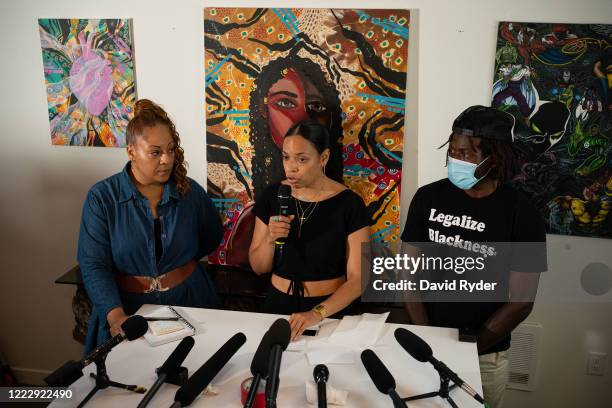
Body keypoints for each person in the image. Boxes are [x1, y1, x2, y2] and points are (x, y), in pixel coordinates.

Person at [400, 106, 547, 408]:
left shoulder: (522, 212)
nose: (456, 160)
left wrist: (466, 351)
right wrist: (430, 340)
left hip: (484, 358)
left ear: (495, 157)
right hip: (426, 347)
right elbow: (407, 274)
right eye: (453, 152)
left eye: (466, 154)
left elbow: (521, 302)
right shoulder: (428, 198)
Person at [78, 99, 222, 353]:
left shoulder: (190, 192)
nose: (166, 160)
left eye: (171, 149)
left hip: (191, 302)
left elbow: (211, 237)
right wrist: (116, 317)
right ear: (131, 150)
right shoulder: (102, 198)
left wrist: (175, 269)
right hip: (128, 311)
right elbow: (93, 264)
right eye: (155, 152)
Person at [248, 121, 370, 340]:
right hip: (277, 305)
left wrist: (316, 314)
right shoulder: (273, 195)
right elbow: (258, 267)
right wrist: (269, 238)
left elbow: (358, 279)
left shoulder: (349, 204)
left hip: (329, 311)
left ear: (323, 158)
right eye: (286, 157)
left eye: (302, 159)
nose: (291, 167)